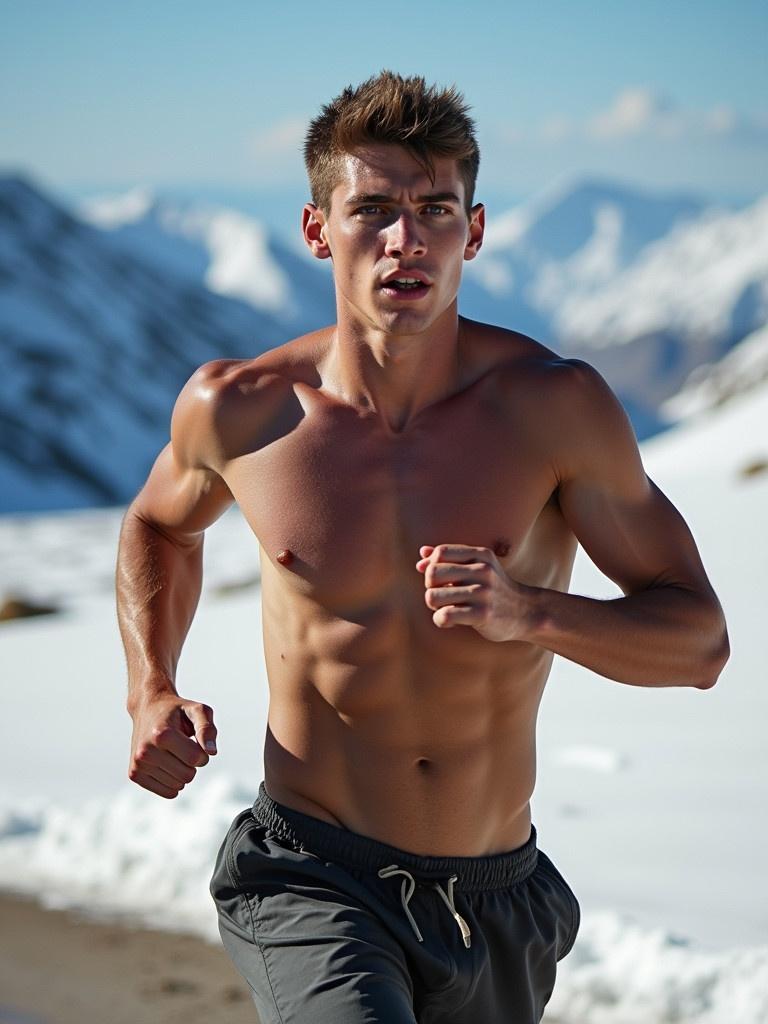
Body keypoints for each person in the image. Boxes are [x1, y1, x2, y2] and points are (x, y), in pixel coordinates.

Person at [116, 71, 729, 1023]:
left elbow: (700, 645)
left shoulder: (554, 409)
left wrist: (530, 612)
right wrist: (150, 683)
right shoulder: (241, 409)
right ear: (319, 229)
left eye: (434, 209)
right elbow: (159, 523)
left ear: (473, 233)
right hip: (315, 876)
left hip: (495, 900)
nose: (406, 240)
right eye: (373, 210)